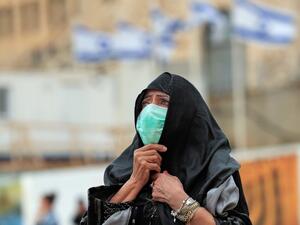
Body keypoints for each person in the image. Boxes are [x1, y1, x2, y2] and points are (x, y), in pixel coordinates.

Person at [81, 72, 252, 225]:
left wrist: (181, 202)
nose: (150, 111)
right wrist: (134, 182)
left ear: (185, 112)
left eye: (163, 102)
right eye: (146, 103)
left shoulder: (215, 173)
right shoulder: (123, 171)